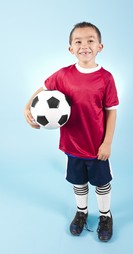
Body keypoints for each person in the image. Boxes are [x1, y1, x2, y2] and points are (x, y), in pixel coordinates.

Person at [24, 22, 119, 242]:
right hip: (72, 145)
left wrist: (107, 143)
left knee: (102, 182)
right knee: (79, 182)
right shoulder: (63, 75)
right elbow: (43, 89)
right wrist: (27, 106)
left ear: (100, 47)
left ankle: (105, 215)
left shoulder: (106, 78)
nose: (84, 46)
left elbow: (111, 112)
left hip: (96, 147)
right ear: (70, 49)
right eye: (78, 42)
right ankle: (81, 212)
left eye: (90, 41)